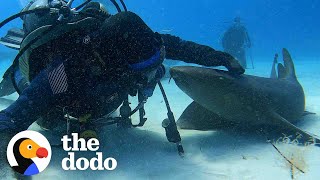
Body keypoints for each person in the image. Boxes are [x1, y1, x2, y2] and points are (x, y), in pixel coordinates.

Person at [0, 0, 244, 177]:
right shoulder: (63, 70)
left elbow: (183, 47)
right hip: (62, 95)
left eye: (155, 67)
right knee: (40, 105)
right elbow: (17, 114)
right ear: (113, 61)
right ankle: (14, 75)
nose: (149, 78)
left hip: (99, 97)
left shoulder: (143, 40)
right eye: (143, 72)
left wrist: (222, 57)